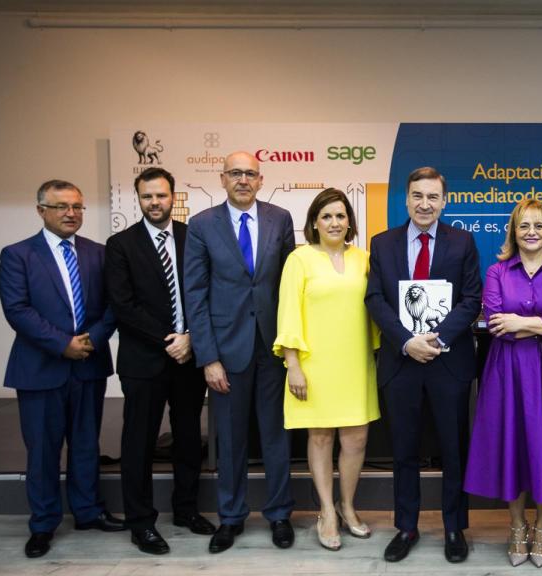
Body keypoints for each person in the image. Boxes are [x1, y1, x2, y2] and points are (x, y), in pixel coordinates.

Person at [0, 179, 124, 559]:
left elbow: (113, 306)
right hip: (40, 369)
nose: (72, 213)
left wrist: (90, 341)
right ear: (41, 211)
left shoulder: (99, 254)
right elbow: (17, 309)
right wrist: (62, 344)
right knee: (43, 451)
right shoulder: (18, 254)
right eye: (61, 207)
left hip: (88, 364)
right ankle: (43, 524)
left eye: (78, 207)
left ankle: (87, 512)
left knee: (86, 445)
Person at [365, 166, 482, 563]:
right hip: (403, 362)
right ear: (406, 198)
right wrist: (407, 341)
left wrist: (438, 339)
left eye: (433, 197)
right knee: (403, 450)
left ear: (444, 201)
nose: (425, 204)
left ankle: (454, 527)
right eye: (418, 195)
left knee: (454, 449)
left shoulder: (462, 242)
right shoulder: (382, 244)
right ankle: (406, 526)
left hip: (449, 363)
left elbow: (472, 299)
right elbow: (375, 300)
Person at [464, 198, 542, 568]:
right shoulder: (497, 272)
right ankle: (517, 525)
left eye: (538, 225)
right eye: (524, 225)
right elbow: (496, 325)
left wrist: (522, 322)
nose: (531, 232)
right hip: (509, 371)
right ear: (513, 232)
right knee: (512, 444)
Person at [183, 151, 297, 554]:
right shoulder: (201, 226)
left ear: (261, 179)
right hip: (226, 351)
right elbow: (194, 295)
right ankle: (230, 518)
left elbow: (290, 284)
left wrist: (293, 346)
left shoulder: (280, 219)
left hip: (273, 348)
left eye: (250, 173)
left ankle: (280, 514)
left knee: (276, 437)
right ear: (222, 178)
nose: (243, 179)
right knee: (230, 441)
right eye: (236, 173)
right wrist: (208, 357)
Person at [104, 167, 215, 555]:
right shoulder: (120, 245)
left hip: (190, 357)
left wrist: (191, 340)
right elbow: (123, 305)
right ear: (138, 199)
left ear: (173, 196)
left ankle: (185, 510)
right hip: (145, 360)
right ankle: (141, 522)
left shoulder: (193, 237)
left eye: (161, 196)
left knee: (188, 440)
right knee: (139, 444)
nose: (155, 203)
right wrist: (170, 340)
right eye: (147, 196)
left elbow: (208, 294)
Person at [273, 188, 380, 551]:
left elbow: (376, 309)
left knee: (356, 438)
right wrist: (293, 365)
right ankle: (326, 512)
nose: (335, 222)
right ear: (314, 223)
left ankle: (348, 507)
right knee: (320, 437)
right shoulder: (299, 259)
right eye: (327, 216)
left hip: (356, 361)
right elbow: (288, 313)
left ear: (350, 221)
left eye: (341, 215)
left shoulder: (364, 259)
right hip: (313, 364)